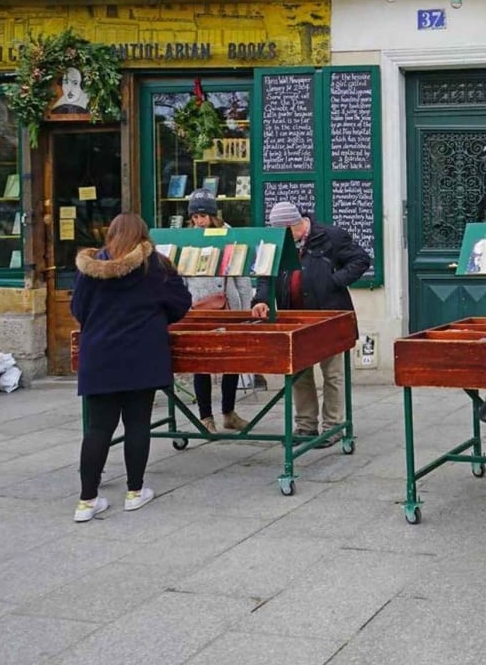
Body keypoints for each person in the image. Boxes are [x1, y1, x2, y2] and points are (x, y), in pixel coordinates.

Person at [71, 213, 191, 522]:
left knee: (98, 428)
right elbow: (181, 303)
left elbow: (78, 309)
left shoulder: (90, 267)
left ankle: (87, 501)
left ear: (110, 234)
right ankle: (134, 493)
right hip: (142, 354)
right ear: (143, 235)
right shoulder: (156, 266)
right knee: (138, 424)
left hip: (99, 356)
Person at [250, 201, 370, 443]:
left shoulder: (331, 237)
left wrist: (334, 281)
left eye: (283, 232)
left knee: (332, 373)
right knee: (299, 373)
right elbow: (265, 274)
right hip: (294, 316)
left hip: (329, 315)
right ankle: (306, 426)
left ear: (295, 225)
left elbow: (361, 260)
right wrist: (261, 299)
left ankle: (332, 426)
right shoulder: (276, 241)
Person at [184, 189, 255, 433]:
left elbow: (243, 279)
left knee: (231, 361)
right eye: (195, 217)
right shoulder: (188, 240)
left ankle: (229, 412)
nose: (199, 221)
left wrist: (245, 314)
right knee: (201, 363)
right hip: (199, 308)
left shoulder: (230, 235)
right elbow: (180, 275)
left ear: (213, 215)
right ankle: (206, 417)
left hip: (229, 305)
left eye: (203, 216)